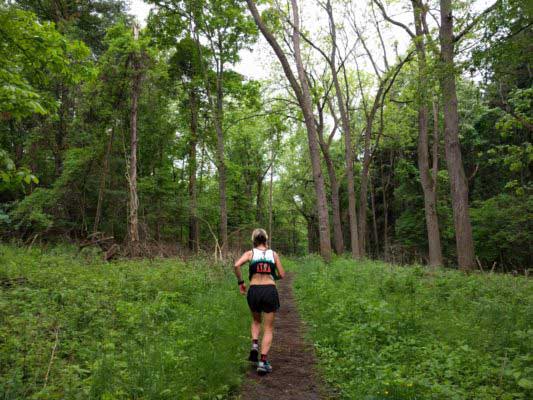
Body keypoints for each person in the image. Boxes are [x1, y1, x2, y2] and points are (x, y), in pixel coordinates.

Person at [234, 228, 285, 374]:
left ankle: (255, 344)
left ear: (254, 240)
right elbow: (282, 274)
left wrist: (241, 283)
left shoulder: (250, 253)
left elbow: (236, 265)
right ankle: (262, 362)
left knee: (256, 321)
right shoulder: (273, 254)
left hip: (254, 291)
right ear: (266, 239)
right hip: (269, 290)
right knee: (268, 328)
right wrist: (272, 277)